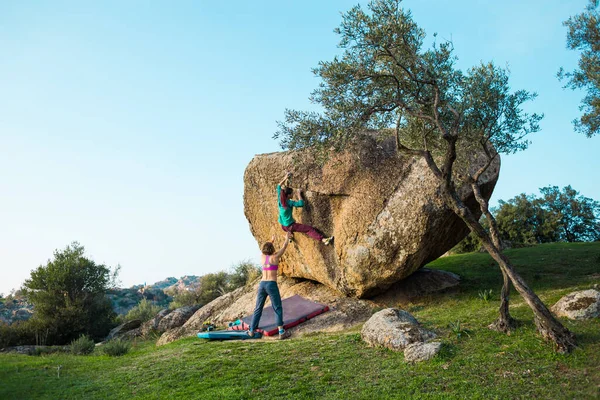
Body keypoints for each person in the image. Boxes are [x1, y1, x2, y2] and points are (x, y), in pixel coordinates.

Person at [248, 231, 293, 340]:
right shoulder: (276, 256)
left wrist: (271, 240)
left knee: (258, 307)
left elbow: (265, 247)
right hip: (271, 284)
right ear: (272, 249)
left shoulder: (262, 257)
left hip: (262, 284)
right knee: (277, 307)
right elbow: (285, 246)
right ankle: (281, 332)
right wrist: (287, 237)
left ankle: (252, 330)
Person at [277, 172, 333, 245]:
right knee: (309, 229)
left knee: (290, 224)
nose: (293, 195)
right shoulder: (290, 203)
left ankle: (290, 236)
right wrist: (299, 194)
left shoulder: (280, 198)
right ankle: (323, 240)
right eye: (292, 194)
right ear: (288, 195)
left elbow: (278, 186)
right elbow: (301, 204)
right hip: (290, 226)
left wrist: (285, 178)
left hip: (283, 226)